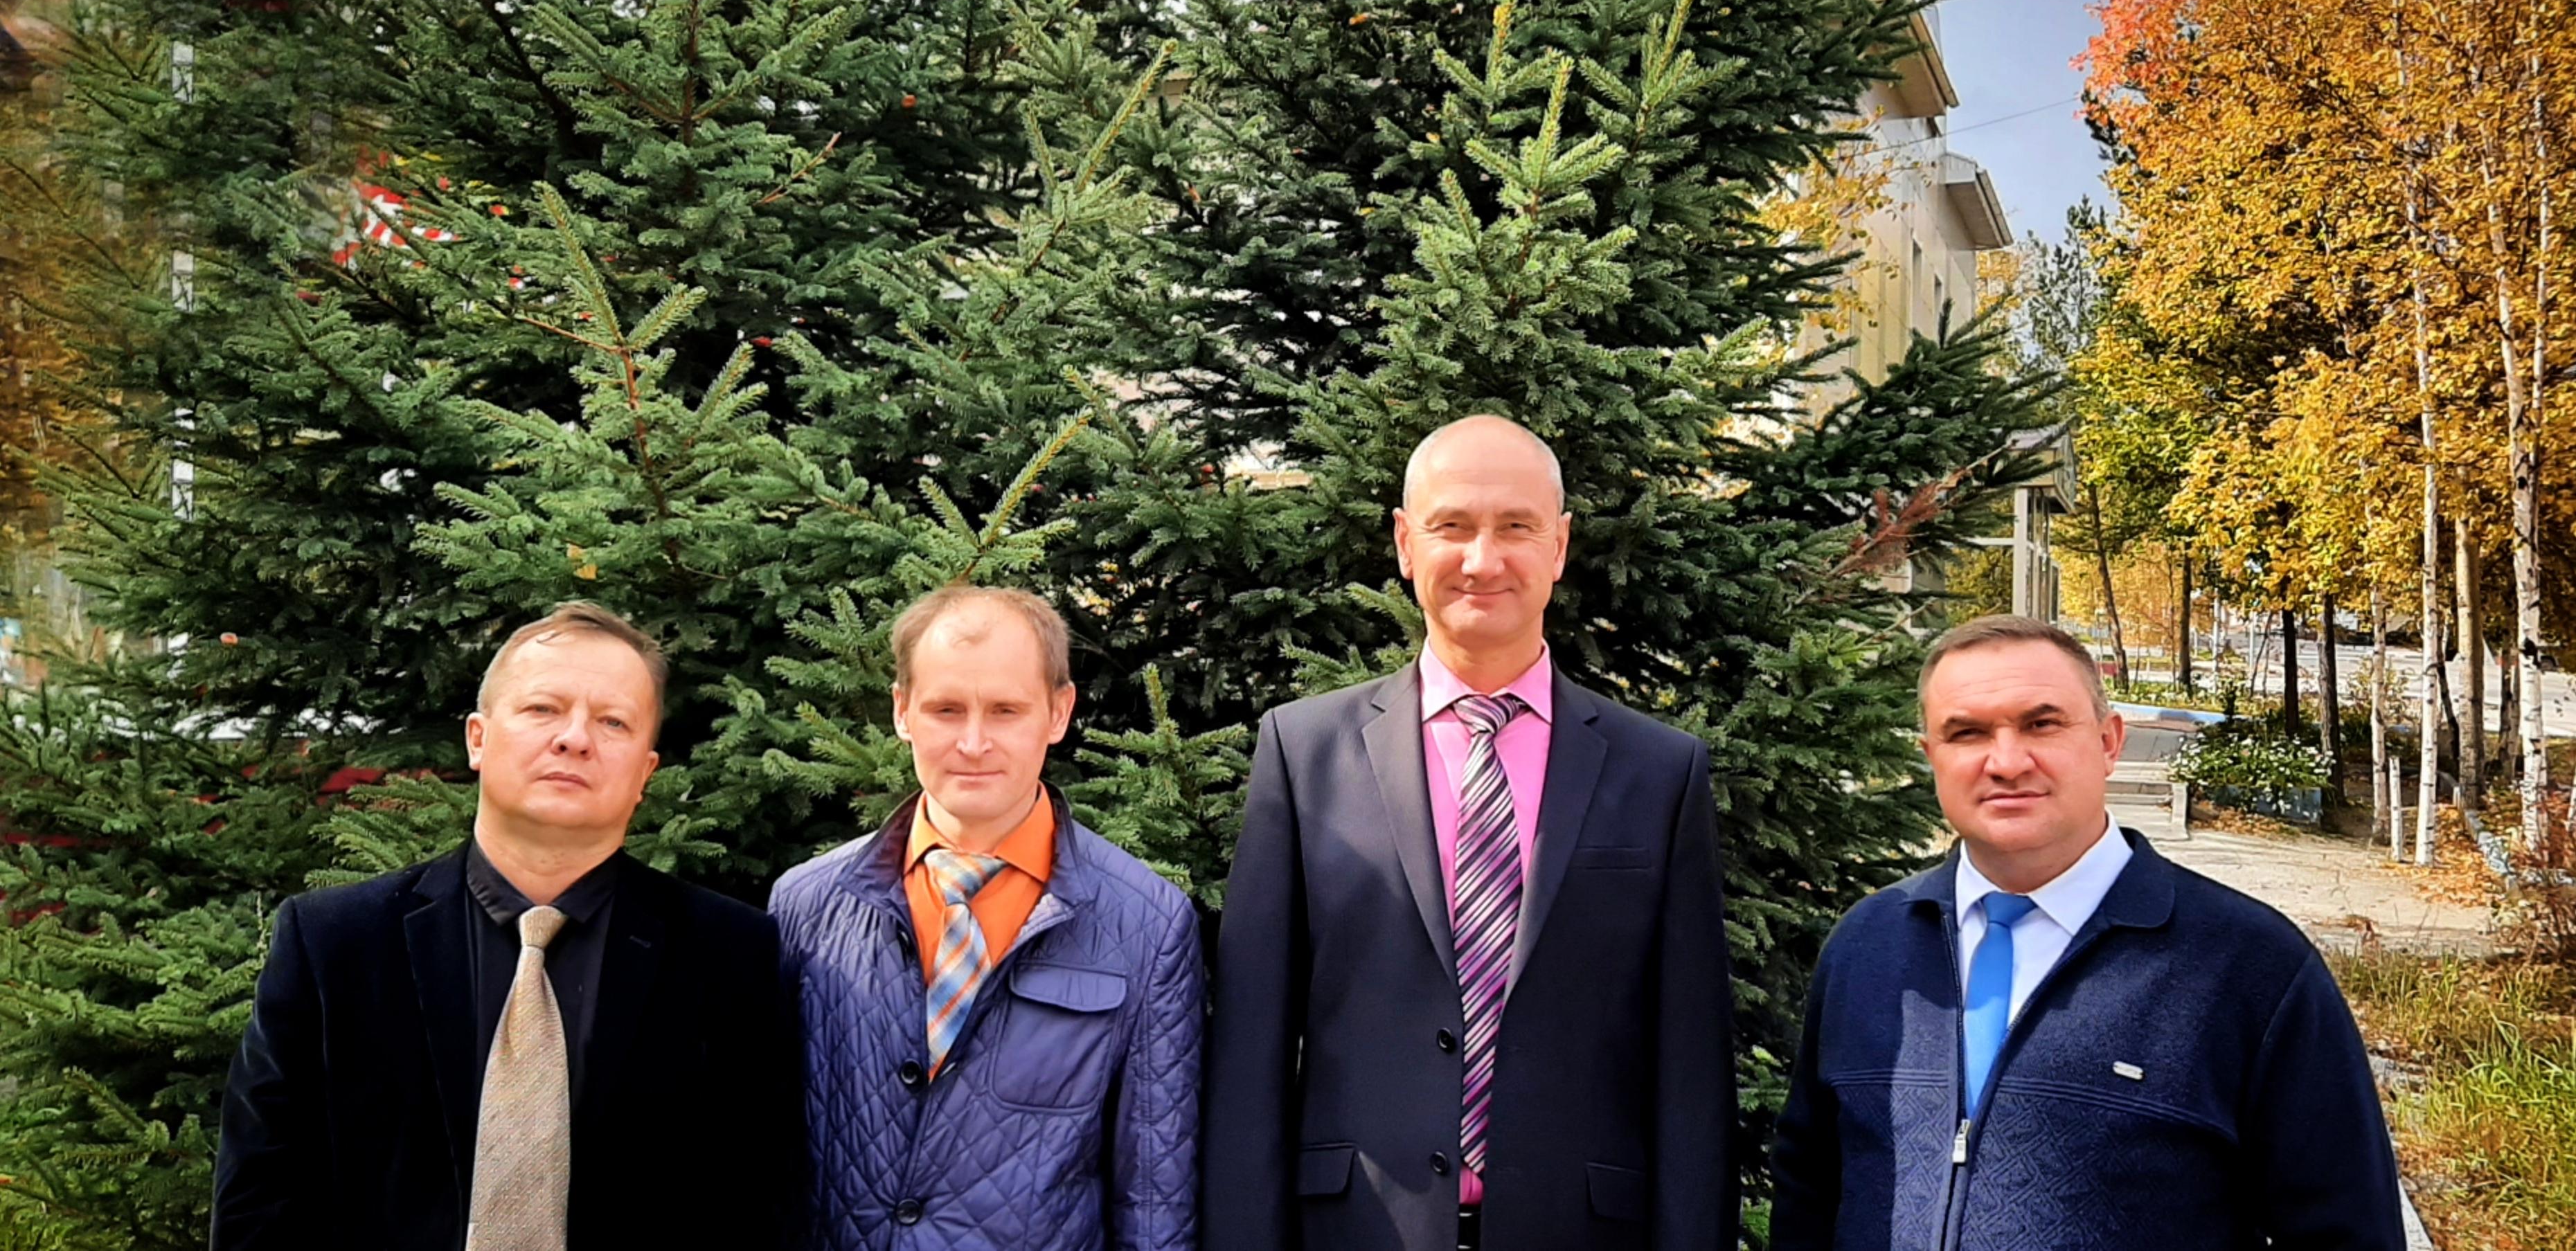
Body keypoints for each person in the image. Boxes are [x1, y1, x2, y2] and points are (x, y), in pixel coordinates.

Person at [1202, 415, 1735, 1251]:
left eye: (1516, 527)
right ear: (1405, 543)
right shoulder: (1304, 754)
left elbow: (1692, 1069)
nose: (1483, 560)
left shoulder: (1660, 773)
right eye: (1452, 526)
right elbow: (1251, 1052)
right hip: (1354, 1232)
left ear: (1559, 547)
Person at [1769, 613, 2406, 1250]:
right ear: (1930, 756)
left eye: (2042, 724)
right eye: (1967, 733)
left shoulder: (2246, 966)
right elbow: (1808, 1192)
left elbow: (2346, 1231)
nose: (2006, 762)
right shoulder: (1868, 947)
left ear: (2108, 742)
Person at [213, 602, 803, 1250]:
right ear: (478, 739)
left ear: (645, 772)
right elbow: (260, 1204)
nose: (575, 738)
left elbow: (759, 1209)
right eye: (543, 708)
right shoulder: (335, 943)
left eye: (613, 721)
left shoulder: (727, 953)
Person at [769, 585, 1201, 1251]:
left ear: (1058, 712)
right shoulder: (807, 905)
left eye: (1005, 710)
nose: (974, 743)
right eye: (946, 710)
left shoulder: (1146, 924)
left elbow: (1153, 1196)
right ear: (902, 712)